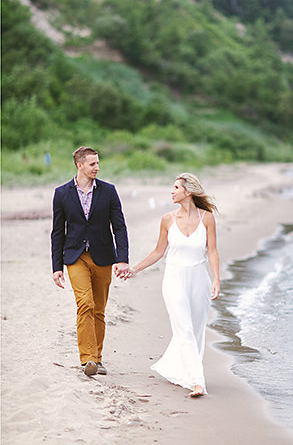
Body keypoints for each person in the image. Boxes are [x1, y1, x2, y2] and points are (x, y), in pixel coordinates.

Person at [124, 173, 221, 398]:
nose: (172, 191)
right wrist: (134, 269)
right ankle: (198, 382)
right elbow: (159, 251)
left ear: (188, 191)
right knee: (184, 328)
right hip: (174, 279)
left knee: (195, 331)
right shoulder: (167, 219)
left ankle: (180, 369)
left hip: (199, 280)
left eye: (176, 188)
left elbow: (213, 250)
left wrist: (216, 278)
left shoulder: (206, 218)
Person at [52, 146, 129, 377]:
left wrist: (122, 259)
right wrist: (56, 267)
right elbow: (57, 232)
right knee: (85, 303)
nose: (97, 167)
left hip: (104, 256)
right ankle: (88, 360)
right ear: (80, 165)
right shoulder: (62, 193)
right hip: (75, 256)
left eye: (97, 163)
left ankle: (98, 358)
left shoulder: (109, 191)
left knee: (99, 310)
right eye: (92, 164)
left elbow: (119, 227)